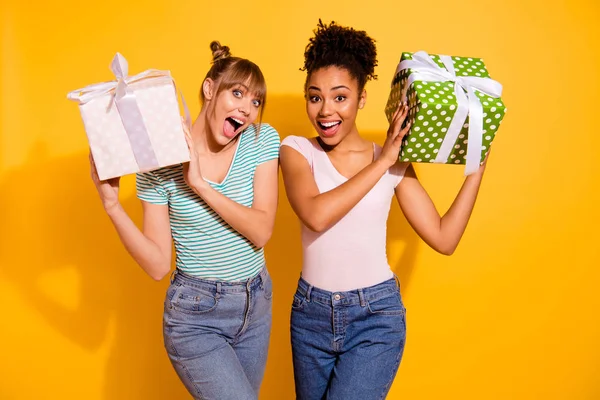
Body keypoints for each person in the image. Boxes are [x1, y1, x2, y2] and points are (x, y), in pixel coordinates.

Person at [280, 21, 489, 399]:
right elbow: (315, 215)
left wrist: (477, 169)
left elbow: (444, 238)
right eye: (315, 97)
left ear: (361, 99)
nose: (326, 110)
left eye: (340, 97)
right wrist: (384, 161)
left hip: (375, 318)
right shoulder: (296, 150)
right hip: (310, 317)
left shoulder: (392, 161)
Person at [90, 41, 280, 400]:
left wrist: (199, 185)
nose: (247, 108)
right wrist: (113, 206)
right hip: (196, 317)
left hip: (256, 304)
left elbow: (261, 230)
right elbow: (159, 264)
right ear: (210, 89)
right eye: (237, 93)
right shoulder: (159, 162)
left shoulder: (260, 139)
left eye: (255, 102)